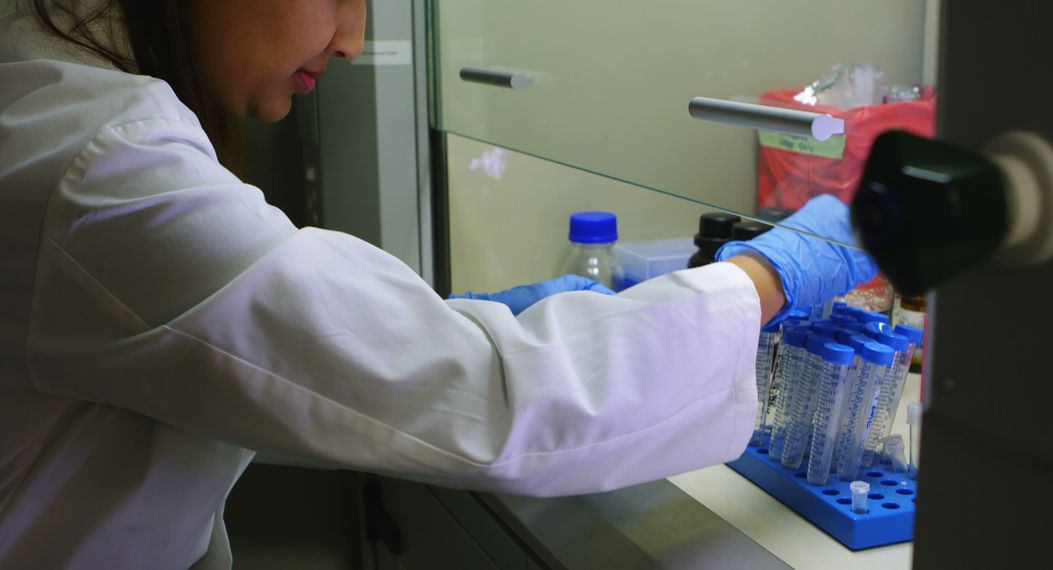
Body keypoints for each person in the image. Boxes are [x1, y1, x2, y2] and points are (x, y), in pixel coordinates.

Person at [0, 0, 877, 567]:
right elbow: (498, 403)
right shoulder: (104, 167)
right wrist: (777, 271)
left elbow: (222, 344)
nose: (353, 38)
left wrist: (450, 322)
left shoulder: (59, 94)